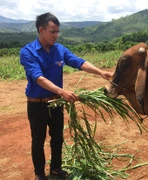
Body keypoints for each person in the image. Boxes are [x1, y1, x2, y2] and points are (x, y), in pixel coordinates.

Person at [20, 12, 112, 180]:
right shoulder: (28, 52)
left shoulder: (59, 50)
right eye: (52, 31)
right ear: (41, 30)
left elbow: (79, 62)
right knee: (38, 140)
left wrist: (100, 72)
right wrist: (61, 91)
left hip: (56, 103)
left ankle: (56, 168)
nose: (56, 35)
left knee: (57, 137)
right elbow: (38, 78)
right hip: (37, 104)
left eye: (57, 31)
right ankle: (39, 174)